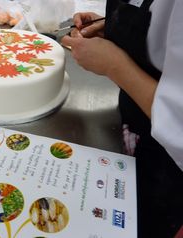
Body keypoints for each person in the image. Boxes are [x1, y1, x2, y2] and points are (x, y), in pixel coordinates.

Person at [61, 0, 183, 237]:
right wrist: (118, 27)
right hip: (132, 124)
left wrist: (114, 64)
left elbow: (178, 122)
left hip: (168, 170)